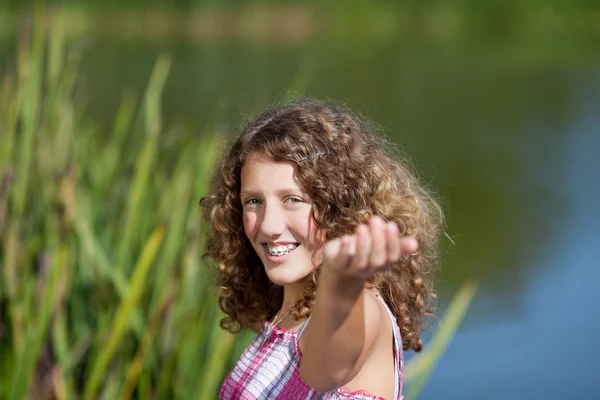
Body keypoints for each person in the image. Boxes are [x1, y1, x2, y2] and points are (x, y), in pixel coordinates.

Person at [200, 98, 443, 400]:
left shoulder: (360, 306)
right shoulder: (286, 308)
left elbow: (323, 372)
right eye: (254, 201)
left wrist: (341, 282)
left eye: (293, 199)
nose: (268, 225)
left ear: (340, 208)